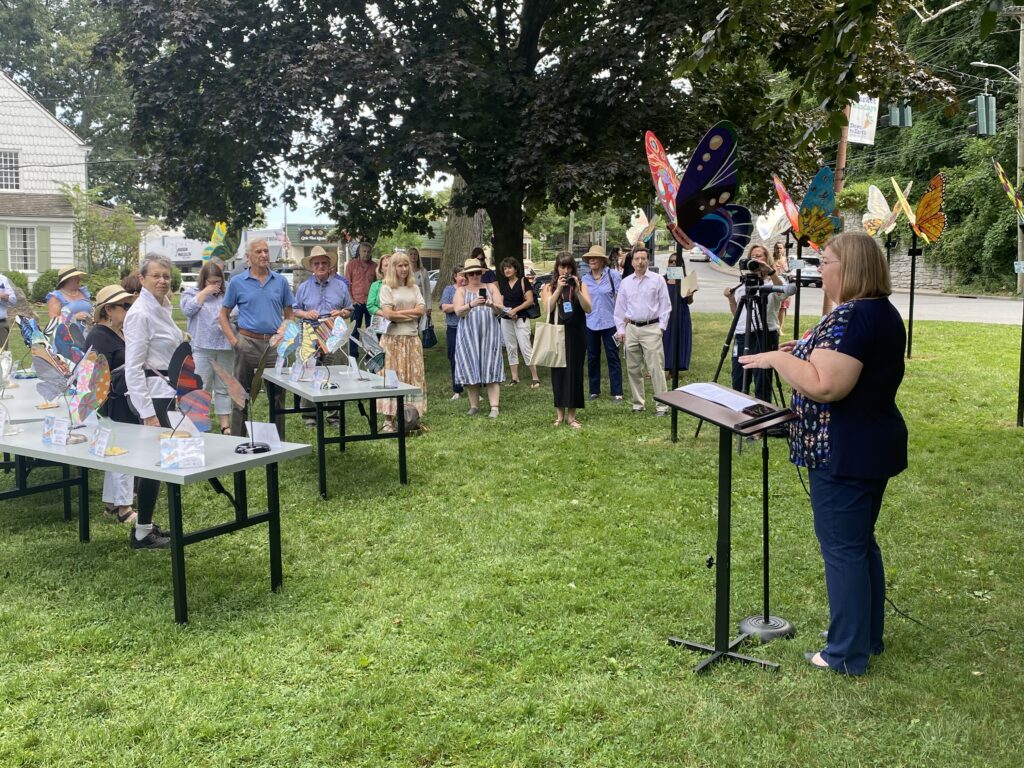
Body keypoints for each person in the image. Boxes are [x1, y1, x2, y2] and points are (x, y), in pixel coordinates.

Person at [739, 232, 907, 676]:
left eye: (826, 262)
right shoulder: (877, 312)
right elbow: (836, 364)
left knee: (844, 549)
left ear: (850, 267)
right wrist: (805, 351)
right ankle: (864, 636)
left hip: (844, 450)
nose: (820, 270)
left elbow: (827, 386)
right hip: (868, 444)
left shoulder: (853, 316)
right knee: (859, 544)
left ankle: (845, 654)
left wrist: (777, 358)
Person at [123, 255, 183, 549]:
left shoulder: (162, 307)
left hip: (167, 391)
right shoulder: (140, 314)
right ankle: (141, 533)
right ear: (142, 278)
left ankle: (145, 527)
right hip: (153, 395)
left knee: (161, 463)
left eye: (166, 276)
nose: (162, 280)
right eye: (156, 276)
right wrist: (147, 413)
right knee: (153, 464)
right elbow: (133, 367)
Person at [219, 238, 295, 437]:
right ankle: (236, 440)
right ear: (248, 258)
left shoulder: (280, 281)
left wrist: (283, 333)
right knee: (240, 395)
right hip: (247, 343)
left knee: (278, 397)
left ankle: (280, 442)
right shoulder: (237, 283)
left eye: (266, 251)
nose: (263, 255)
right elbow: (223, 315)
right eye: (258, 252)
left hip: (273, 345)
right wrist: (235, 341)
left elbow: (290, 314)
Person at [85, 284, 138, 525]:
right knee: (123, 450)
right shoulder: (98, 335)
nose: (130, 309)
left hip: (122, 399)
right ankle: (124, 508)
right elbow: (93, 375)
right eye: (125, 306)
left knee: (116, 449)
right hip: (112, 402)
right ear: (109, 309)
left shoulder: (120, 332)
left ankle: (111, 502)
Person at [294, 245, 354, 426]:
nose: (320, 266)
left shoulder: (341, 287)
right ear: (311, 267)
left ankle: (334, 415)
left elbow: (350, 309)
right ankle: (310, 415)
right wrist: (306, 314)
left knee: (334, 373)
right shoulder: (303, 287)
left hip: (333, 333)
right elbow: (294, 310)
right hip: (310, 333)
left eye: (323, 263)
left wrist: (342, 313)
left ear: (329, 266)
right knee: (310, 371)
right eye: (316, 263)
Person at [613, 248, 671, 415]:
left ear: (648, 261)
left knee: (656, 369)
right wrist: (621, 329)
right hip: (632, 328)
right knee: (633, 368)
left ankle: (662, 405)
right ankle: (638, 404)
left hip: (651, 328)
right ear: (632, 262)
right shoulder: (626, 282)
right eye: (637, 259)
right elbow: (619, 309)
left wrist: (660, 328)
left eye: (643, 258)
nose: (640, 262)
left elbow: (665, 306)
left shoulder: (657, 280)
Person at [725, 244, 785, 403]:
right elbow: (738, 313)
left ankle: (763, 418)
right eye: (753, 256)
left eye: (760, 256)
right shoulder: (743, 284)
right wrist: (731, 299)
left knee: (762, 380)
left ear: (767, 259)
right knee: (738, 378)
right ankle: (738, 412)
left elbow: (783, 292)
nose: (756, 259)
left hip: (764, 334)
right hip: (742, 335)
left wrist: (770, 271)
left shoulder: (773, 281)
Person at [180, 261, 234, 434]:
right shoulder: (191, 293)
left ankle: (225, 423)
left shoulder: (226, 295)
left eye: (218, 281)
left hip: (225, 347)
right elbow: (188, 310)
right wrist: (204, 292)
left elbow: (236, 313)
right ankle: (198, 422)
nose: (215, 285)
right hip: (201, 347)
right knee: (201, 386)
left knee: (223, 387)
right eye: (211, 282)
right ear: (203, 280)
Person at [377, 253, 427, 431]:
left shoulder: (414, 288)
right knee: (392, 377)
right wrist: (410, 313)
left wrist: (399, 315)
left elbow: (421, 310)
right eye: (400, 266)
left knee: (413, 377)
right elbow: (388, 314)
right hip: (392, 340)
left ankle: (411, 418)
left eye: (406, 265)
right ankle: (388, 419)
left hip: (412, 338)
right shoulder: (386, 288)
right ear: (393, 268)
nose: (404, 269)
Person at [542, 251, 592, 427]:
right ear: (557, 267)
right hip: (558, 333)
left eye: (569, 266)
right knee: (558, 373)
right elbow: (547, 307)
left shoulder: (581, 284)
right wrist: (559, 289)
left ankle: (572, 416)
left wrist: (577, 290)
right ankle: (559, 415)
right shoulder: (549, 286)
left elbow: (588, 309)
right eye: (562, 266)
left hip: (576, 334)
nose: (565, 270)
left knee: (574, 373)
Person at [453, 257, 505, 417]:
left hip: (490, 333)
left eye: (477, 273)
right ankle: (474, 405)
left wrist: (492, 305)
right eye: (472, 274)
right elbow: (458, 311)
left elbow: (501, 310)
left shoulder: (491, 287)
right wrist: (471, 304)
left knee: (491, 365)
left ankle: (494, 407)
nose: (475, 276)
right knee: (470, 366)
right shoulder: (461, 290)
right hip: (468, 335)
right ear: (467, 276)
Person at [580, 244, 623, 402]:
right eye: (589, 258)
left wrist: (621, 323)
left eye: (595, 258)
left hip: (610, 323)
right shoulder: (584, 279)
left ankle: (617, 392)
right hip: (590, 323)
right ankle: (594, 390)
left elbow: (620, 300)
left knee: (613, 357)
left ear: (602, 261)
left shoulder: (613, 276)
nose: (592, 260)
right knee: (592, 357)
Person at [496, 257, 540, 388]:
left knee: (525, 346)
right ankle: (514, 378)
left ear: (515, 269)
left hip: (521, 318)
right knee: (511, 347)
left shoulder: (523, 281)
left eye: (509, 267)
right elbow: (501, 303)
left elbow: (530, 300)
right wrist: (504, 311)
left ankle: (535, 378)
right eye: (505, 268)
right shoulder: (503, 285)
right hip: (506, 320)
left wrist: (515, 311)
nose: (507, 270)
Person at [662, 252, 694, 376]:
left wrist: (690, 295)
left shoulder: (686, 280)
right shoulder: (662, 279)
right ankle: (663, 366)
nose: (674, 263)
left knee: (678, 340)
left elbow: (689, 302)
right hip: (666, 314)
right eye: (671, 261)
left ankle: (674, 369)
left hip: (681, 314)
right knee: (665, 340)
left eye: (677, 262)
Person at [345, 240, 376, 357]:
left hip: (370, 304)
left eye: (368, 252)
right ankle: (353, 355)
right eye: (364, 251)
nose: (366, 253)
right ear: (359, 251)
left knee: (370, 331)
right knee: (354, 330)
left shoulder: (375, 266)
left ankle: (371, 354)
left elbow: (377, 284)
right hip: (356, 303)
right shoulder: (351, 265)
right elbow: (347, 284)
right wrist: (351, 301)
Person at [439, 266, 466, 400]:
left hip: (468, 328)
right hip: (453, 328)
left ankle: (474, 388)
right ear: (455, 276)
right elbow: (444, 307)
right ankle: (457, 389)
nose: (463, 277)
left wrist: (455, 307)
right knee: (454, 358)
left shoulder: (470, 289)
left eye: (465, 274)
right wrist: (462, 306)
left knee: (470, 357)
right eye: (461, 275)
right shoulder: (449, 290)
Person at [408, 247, 433, 331]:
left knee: (419, 327)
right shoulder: (405, 271)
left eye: (415, 254)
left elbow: (427, 290)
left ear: (418, 256)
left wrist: (429, 306)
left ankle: (418, 343)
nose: (413, 256)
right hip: (407, 304)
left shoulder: (423, 272)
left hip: (420, 303)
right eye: (411, 254)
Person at [773, 241, 791, 328]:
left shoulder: (788, 260)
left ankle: (780, 328)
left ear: (783, 249)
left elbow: (792, 271)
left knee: (783, 307)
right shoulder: (771, 260)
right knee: (774, 306)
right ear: (774, 249)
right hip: (774, 285)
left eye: (780, 248)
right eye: (777, 248)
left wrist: (785, 270)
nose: (779, 250)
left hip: (785, 285)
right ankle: (774, 326)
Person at [0, 272, 18, 347]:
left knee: (3, 355)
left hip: (1, 324)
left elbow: (13, 300)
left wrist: (7, 298)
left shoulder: (3, 279)